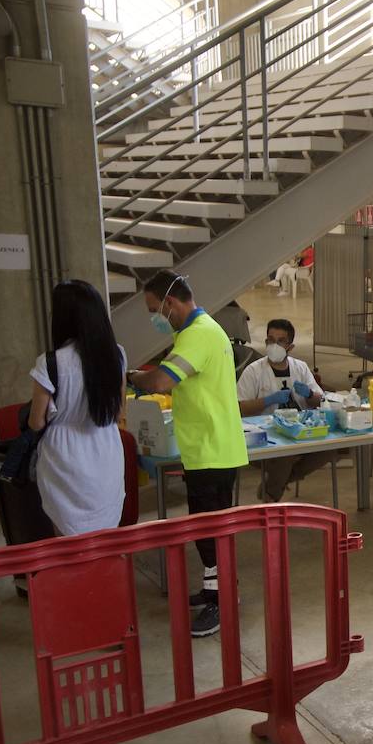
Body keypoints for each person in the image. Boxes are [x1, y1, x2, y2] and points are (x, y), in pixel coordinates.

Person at [129, 271, 247, 638]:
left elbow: (163, 381)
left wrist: (132, 376)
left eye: (155, 310)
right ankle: (216, 588)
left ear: (170, 303)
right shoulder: (196, 331)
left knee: (210, 532)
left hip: (213, 449)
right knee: (206, 528)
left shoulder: (199, 334)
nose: (155, 318)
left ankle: (222, 600)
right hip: (207, 448)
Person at [27, 280, 127, 536]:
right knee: (104, 533)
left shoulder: (50, 363)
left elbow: (36, 422)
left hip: (64, 458)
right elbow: (118, 412)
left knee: (68, 538)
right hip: (105, 449)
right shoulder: (116, 356)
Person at [236, 318, 336, 502]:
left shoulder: (301, 368)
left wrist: (308, 395)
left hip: (299, 433)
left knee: (328, 450)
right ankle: (271, 497)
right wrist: (268, 400)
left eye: (280, 341)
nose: (274, 345)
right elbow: (240, 407)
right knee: (284, 456)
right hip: (265, 439)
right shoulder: (254, 371)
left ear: (290, 346)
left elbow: (320, 400)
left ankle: (274, 484)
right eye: (270, 340)